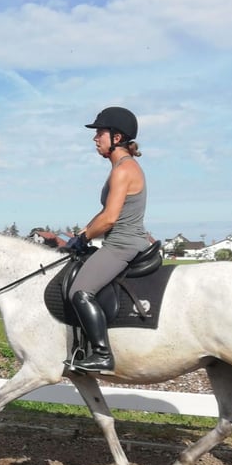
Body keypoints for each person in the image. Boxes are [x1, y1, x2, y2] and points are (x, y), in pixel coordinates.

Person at [65, 106, 150, 374]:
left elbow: (111, 218)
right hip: (125, 239)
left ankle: (102, 354)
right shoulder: (124, 168)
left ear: (117, 137)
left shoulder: (122, 170)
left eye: (100, 133)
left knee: (79, 291)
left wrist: (86, 238)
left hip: (122, 244)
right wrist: (83, 233)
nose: (95, 138)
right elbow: (103, 214)